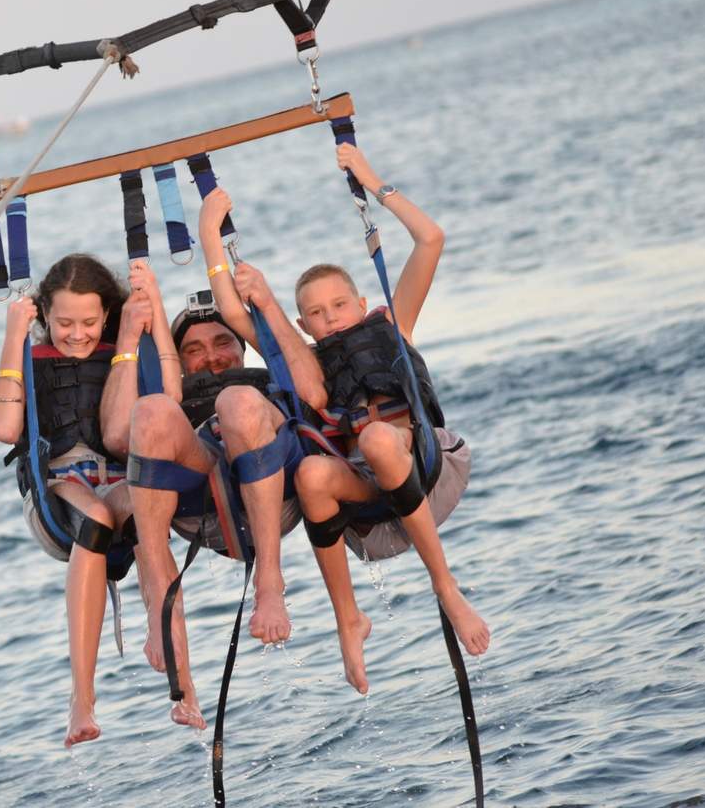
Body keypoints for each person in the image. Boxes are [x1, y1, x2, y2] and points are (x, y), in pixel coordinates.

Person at [102, 193, 326, 731]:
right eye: (194, 349)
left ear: (242, 348)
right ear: (179, 360)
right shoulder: (176, 389)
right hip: (198, 483)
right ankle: (169, 639)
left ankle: (269, 582)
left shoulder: (266, 377)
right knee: (151, 411)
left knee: (238, 401)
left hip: (270, 468)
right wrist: (145, 310)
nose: (211, 356)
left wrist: (232, 266)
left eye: (222, 342)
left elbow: (314, 391)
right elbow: (122, 435)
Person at [289, 143, 490, 696]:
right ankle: (347, 620)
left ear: (360, 303)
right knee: (310, 474)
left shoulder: (393, 325)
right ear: (302, 327)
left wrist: (372, 181)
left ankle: (445, 586)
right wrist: (216, 239)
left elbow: (431, 239)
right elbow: (241, 316)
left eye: (340, 305)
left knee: (378, 437)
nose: (331, 318)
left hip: (422, 464)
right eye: (316, 313)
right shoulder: (306, 362)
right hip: (365, 493)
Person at [0, 254, 179, 748]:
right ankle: (82, 698)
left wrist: (154, 308)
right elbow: (5, 429)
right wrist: (13, 335)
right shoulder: (29, 359)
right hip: (59, 493)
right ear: (45, 317)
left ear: (107, 314)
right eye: (64, 323)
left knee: (147, 506)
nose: (77, 335)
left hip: (119, 481)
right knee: (95, 517)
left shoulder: (124, 349)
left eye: (90, 323)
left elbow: (170, 399)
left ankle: (181, 681)